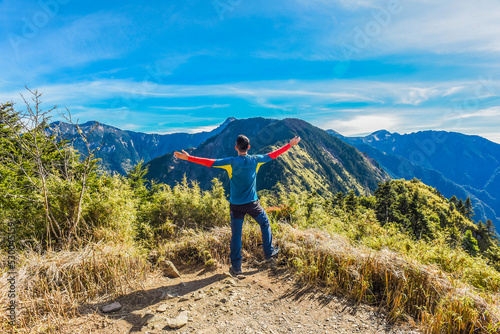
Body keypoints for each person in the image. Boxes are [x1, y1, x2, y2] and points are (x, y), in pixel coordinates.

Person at [174, 134, 301, 276]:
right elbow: (274, 154)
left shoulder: (230, 162)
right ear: (249, 147)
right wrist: (290, 144)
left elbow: (209, 162)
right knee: (265, 224)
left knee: (236, 235)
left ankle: (236, 267)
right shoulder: (256, 160)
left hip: (236, 205)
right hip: (253, 204)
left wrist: (189, 158)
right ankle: (269, 255)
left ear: (236, 147)